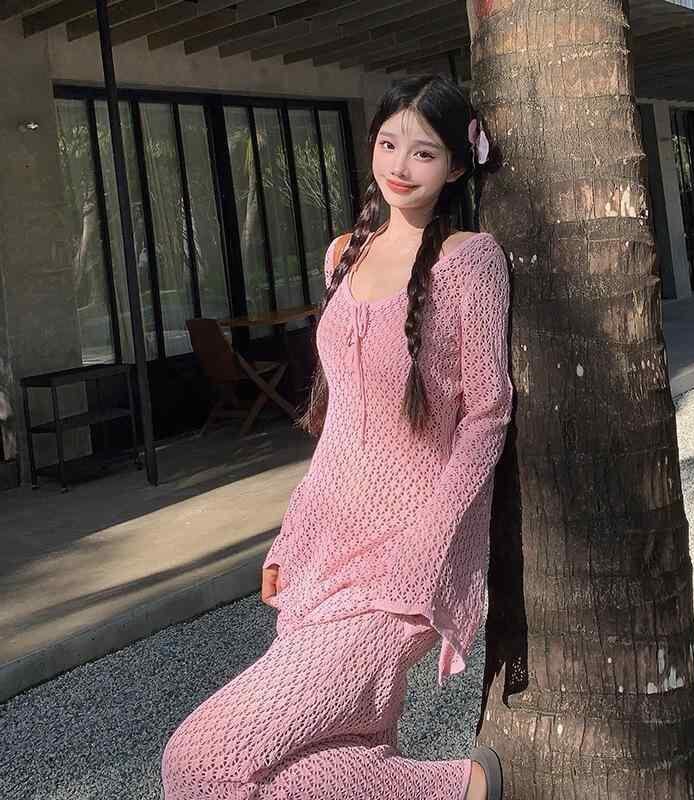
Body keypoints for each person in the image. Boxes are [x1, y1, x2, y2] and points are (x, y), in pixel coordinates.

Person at [161, 74, 513, 800]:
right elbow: (342, 426)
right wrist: (291, 536)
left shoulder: (470, 260)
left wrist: (429, 546)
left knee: (200, 762)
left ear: (455, 166)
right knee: (292, 773)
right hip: (327, 553)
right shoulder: (343, 254)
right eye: (388, 144)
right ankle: (466, 789)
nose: (400, 166)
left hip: (404, 565)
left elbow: (487, 415)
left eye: (424, 152)